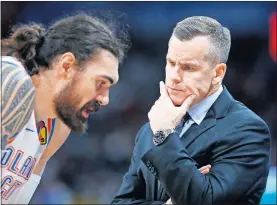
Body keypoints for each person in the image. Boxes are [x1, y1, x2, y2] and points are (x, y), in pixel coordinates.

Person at [112, 16, 271, 205]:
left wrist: (164, 135)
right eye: (171, 63)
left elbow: (204, 201)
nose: (174, 77)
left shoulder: (247, 130)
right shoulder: (150, 129)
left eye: (189, 68)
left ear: (218, 73)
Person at [1, 13, 129, 204]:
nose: (105, 99)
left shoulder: (56, 126)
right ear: (67, 65)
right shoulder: (11, 79)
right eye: (100, 82)